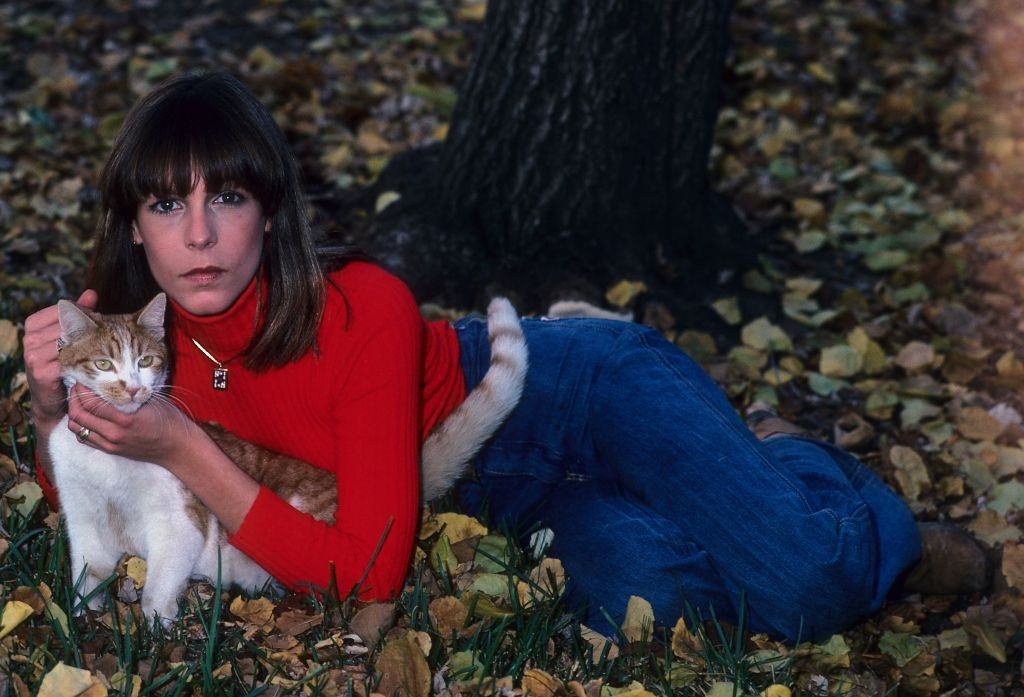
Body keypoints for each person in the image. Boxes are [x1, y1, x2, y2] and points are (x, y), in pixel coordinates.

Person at [22, 70, 990, 643]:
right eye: (166, 205)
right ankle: (735, 499)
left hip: (576, 389)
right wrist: (46, 405)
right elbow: (92, 501)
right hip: (502, 492)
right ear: (135, 227)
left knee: (804, 583)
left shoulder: (362, 306)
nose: (199, 235)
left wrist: (185, 447)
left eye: (225, 199)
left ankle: (803, 467)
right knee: (647, 603)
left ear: (268, 207)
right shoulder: (130, 343)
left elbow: (367, 572)